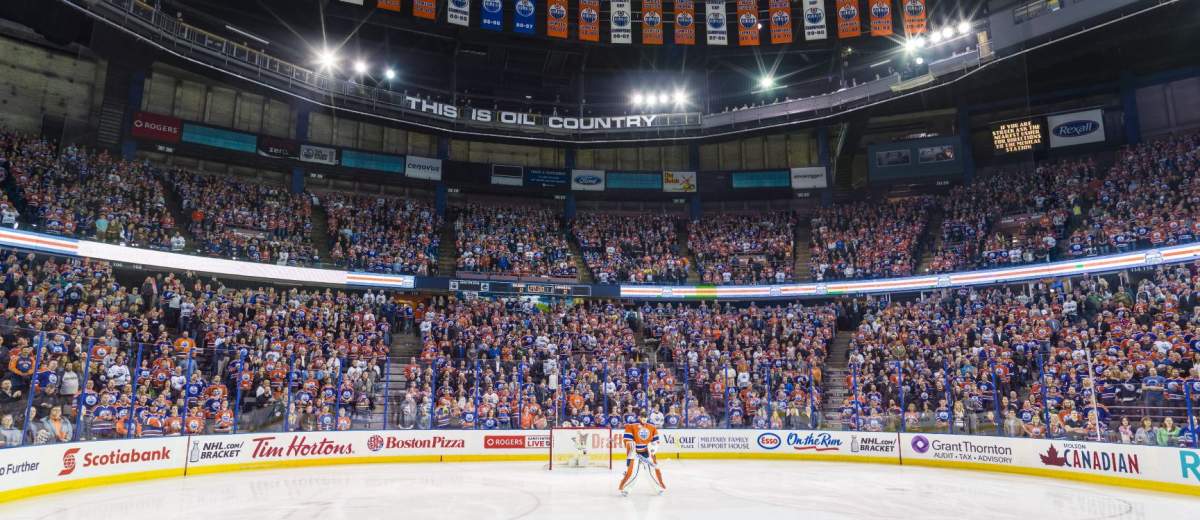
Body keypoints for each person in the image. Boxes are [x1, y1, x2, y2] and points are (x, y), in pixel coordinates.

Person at [617, 409, 666, 496]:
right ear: (639, 417)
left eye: (646, 418)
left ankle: (658, 489)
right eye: (643, 418)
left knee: (650, 473)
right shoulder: (632, 426)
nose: (644, 420)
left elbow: (655, 441)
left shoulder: (651, 427)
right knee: (634, 473)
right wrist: (632, 449)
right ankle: (626, 490)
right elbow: (627, 440)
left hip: (645, 454)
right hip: (635, 454)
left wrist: (653, 448)